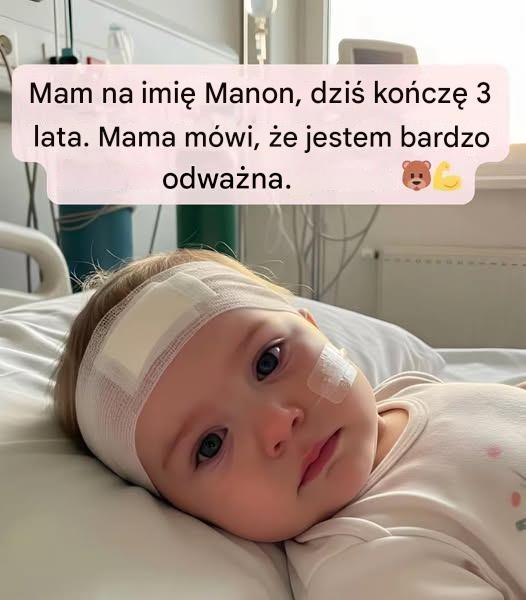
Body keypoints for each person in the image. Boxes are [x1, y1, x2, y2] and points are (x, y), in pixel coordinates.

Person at [52, 248, 526, 599]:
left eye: (268, 361)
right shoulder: (368, 565)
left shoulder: (411, 393)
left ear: (314, 328)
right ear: (183, 510)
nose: (278, 425)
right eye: (211, 444)